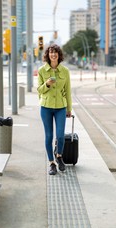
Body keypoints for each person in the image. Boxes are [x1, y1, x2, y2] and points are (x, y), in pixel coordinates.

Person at [37, 44, 72, 175]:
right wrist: (46, 84)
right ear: (48, 55)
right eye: (51, 52)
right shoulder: (41, 70)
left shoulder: (65, 71)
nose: (53, 55)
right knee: (49, 136)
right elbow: (39, 90)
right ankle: (51, 163)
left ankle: (59, 156)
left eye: (55, 52)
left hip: (61, 108)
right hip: (46, 107)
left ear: (59, 55)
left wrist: (69, 108)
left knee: (61, 136)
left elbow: (68, 91)